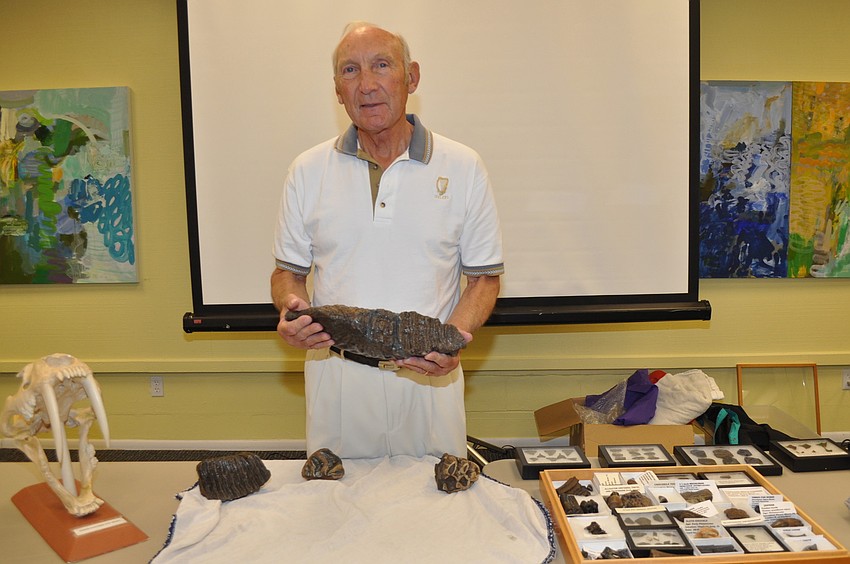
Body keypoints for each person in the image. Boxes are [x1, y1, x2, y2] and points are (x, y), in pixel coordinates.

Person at [271, 21, 503, 459]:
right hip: (336, 381)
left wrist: (452, 340)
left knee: (439, 515)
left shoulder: (464, 166)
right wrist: (291, 310)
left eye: (382, 65)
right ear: (338, 90)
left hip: (429, 379)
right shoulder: (306, 170)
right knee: (336, 514)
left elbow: (484, 281)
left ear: (411, 77)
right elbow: (287, 274)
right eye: (350, 71)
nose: (368, 84)